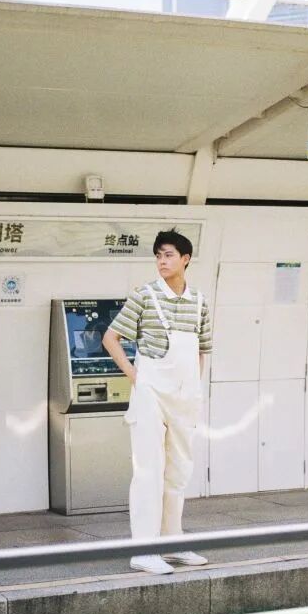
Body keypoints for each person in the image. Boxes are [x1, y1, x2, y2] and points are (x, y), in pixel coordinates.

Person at [103, 228, 213, 575]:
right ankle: (143, 550)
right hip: (150, 395)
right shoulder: (144, 295)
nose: (162, 261)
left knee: (178, 471)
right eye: (158, 256)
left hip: (185, 398)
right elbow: (110, 338)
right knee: (148, 471)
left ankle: (172, 543)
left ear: (185, 259)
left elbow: (202, 349)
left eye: (168, 255)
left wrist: (193, 387)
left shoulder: (199, 302)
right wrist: (136, 378)